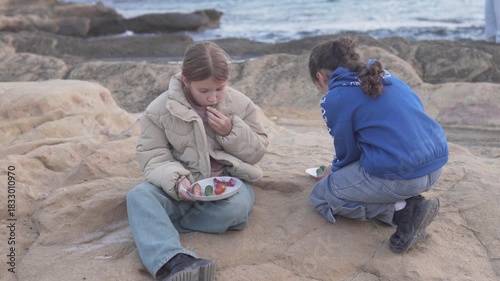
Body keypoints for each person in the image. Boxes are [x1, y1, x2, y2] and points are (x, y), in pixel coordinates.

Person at [127, 41, 269, 281]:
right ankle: (173, 261)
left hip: (227, 186)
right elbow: (153, 156)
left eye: (219, 89)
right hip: (182, 187)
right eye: (203, 91)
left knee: (236, 209)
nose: (212, 97)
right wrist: (177, 181)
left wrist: (230, 130)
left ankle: (162, 226)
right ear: (185, 80)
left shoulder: (240, 103)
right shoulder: (159, 109)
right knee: (138, 196)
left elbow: (256, 152)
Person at [307, 37, 449, 253]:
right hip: (435, 166)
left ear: (319, 77)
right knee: (369, 170)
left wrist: (333, 171)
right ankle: (407, 202)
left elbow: (348, 154)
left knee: (322, 195)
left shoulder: (335, 97)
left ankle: (403, 212)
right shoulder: (385, 75)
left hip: (404, 176)